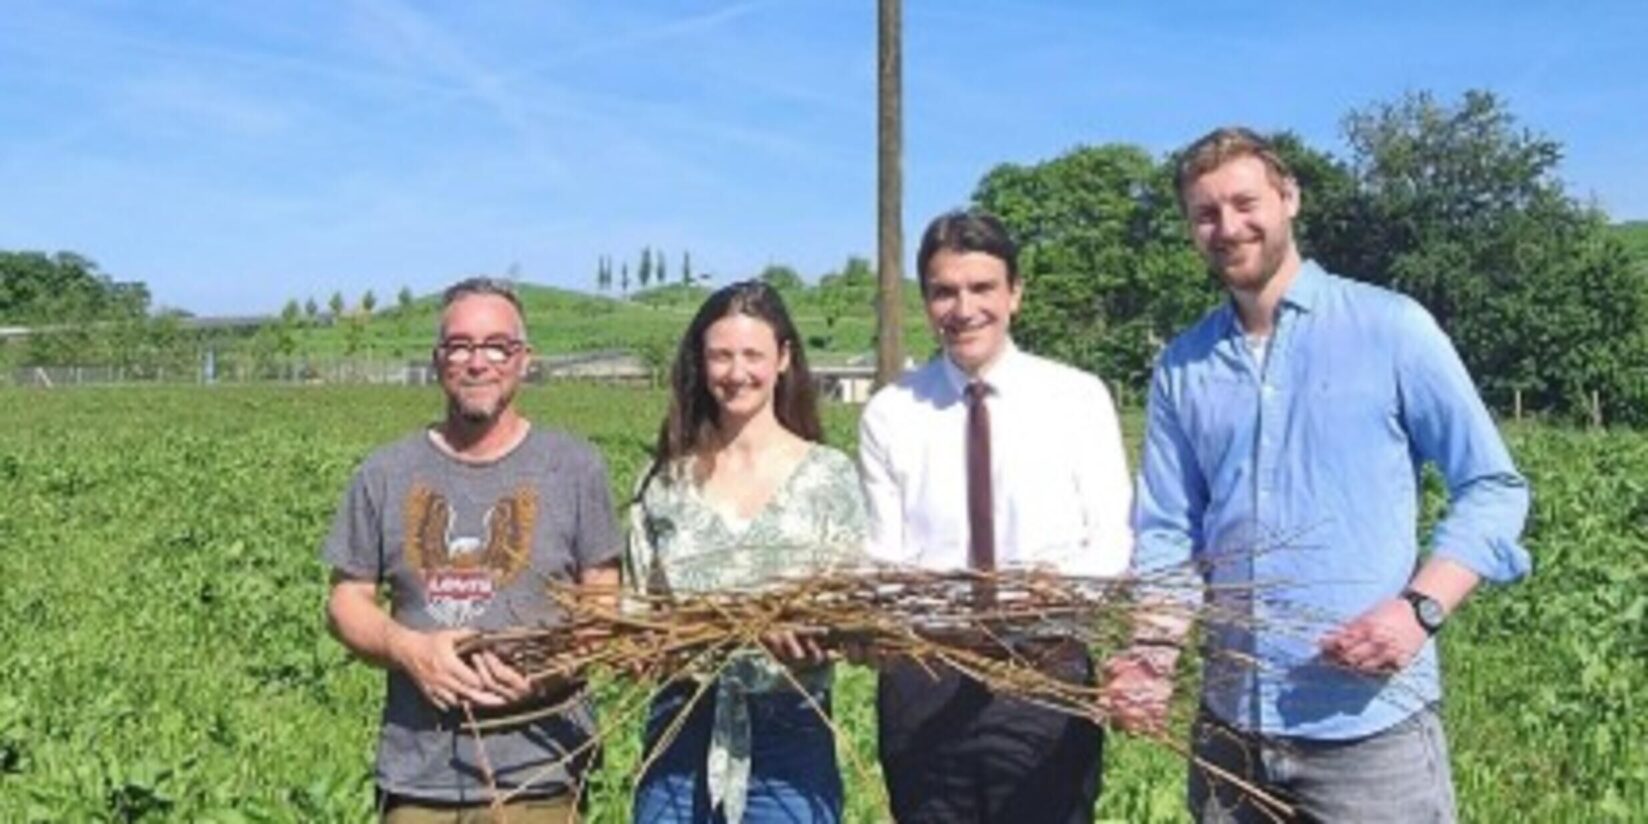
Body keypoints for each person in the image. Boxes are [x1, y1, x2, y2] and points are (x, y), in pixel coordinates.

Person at [1105, 127, 1531, 822]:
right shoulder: (1182, 366)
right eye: (1205, 214)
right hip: (1232, 731)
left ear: (1290, 198)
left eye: (1245, 203)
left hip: (1370, 732)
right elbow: (1168, 533)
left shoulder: (1392, 328)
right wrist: (1151, 656)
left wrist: (1419, 609)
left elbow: (1492, 485)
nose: (1228, 227)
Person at [857, 209, 1134, 822]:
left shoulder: (1077, 398)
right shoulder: (890, 413)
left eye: (981, 288)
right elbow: (884, 555)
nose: (963, 308)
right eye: (944, 291)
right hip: (926, 674)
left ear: (1015, 294)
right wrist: (925, 608)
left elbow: (1112, 536)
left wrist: (1059, 590)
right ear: (926, 301)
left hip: (1047, 667)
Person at [322, 278, 622, 822]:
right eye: (460, 346)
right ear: (439, 361)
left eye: (496, 347)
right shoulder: (384, 472)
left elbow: (602, 603)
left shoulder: (576, 468)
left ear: (524, 360)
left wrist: (546, 671)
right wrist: (410, 649)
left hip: (541, 775)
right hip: (419, 779)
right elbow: (346, 602)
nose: (477, 362)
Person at [624, 280, 867, 824]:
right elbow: (637, 615)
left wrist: (817, 637)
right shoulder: (663, 483)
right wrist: (648, 647)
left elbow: (855, 614)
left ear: (783, 359)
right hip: (681, 727)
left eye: (753, 355)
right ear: (701, 364)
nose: (737, 373)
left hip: (791, 733)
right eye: (721, 356)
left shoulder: (829, 477)